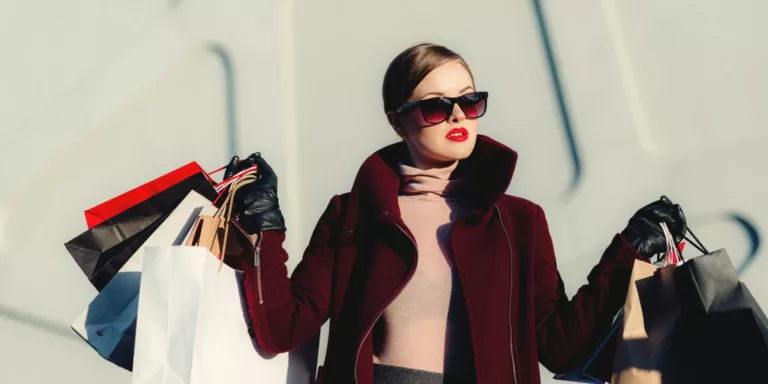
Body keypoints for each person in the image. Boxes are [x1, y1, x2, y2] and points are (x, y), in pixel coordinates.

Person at [221, 43, 687, 384]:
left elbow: (559, 348)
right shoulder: (354, 214)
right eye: (435, 108)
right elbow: (282, 328)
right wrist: (264, 226)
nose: (459, 117)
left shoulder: (519, 222)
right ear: (396, 119)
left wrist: (626, 252)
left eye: (469, 101)